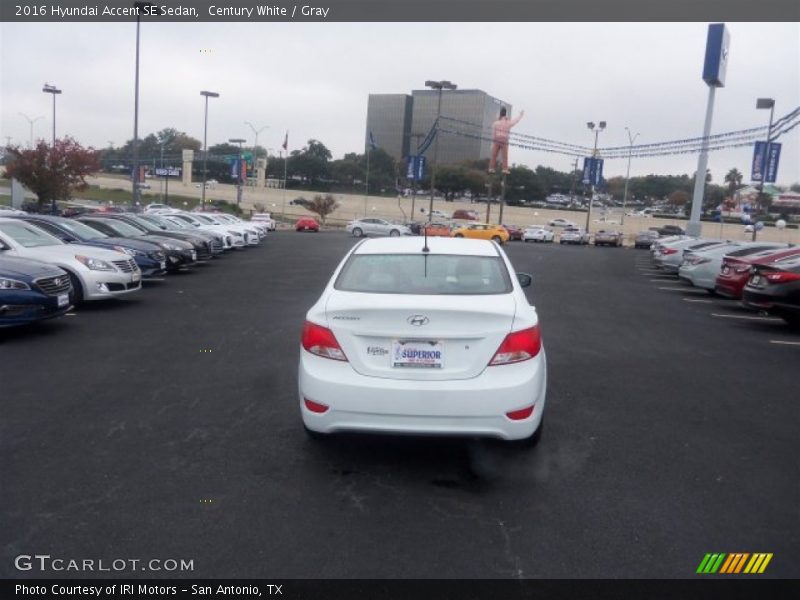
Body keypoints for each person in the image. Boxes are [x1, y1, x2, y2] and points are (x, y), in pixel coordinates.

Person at [489, 107, 524, 175]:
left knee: (494, 155)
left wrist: (492, 143)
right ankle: (505, 169)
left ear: (500, 114)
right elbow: (515, 121)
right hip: (505, 140)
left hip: (496, 139)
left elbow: (493, 133)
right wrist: (520, 115)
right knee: (505, 156)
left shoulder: (495, 123)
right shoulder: (508, 123)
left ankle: (491, 168)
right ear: (505, 114)